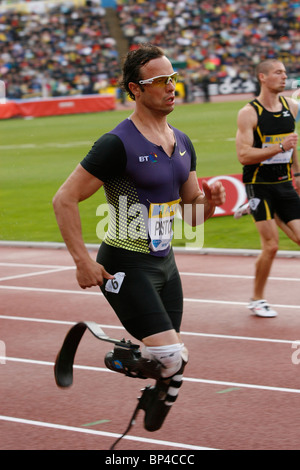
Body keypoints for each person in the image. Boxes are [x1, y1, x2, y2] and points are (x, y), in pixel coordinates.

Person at [53, 44, 226, 432]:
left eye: (173, 79)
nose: (171, 87)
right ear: (135, 89)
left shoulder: (182, 141)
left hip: (165, 265)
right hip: (125, 262)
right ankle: (122, 356)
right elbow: (64, 198)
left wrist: (210, 203)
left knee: (174, 360)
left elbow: (191, 215)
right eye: (161, 80)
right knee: (169, 356)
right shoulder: (117, 144)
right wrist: (82, 260)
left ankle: (152, 384)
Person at [236, 59, 300, 318]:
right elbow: (243, 155)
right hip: (258, 185)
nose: (284, 77)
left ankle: (256, 208)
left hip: (284, 184)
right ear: (262, 77)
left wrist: (297, 172)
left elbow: (292, 144)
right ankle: (257, 299)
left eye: (285, 73)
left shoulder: (292, 108)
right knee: (271, 246)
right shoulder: (249, 113)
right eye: (278, 73)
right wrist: (279, 148)